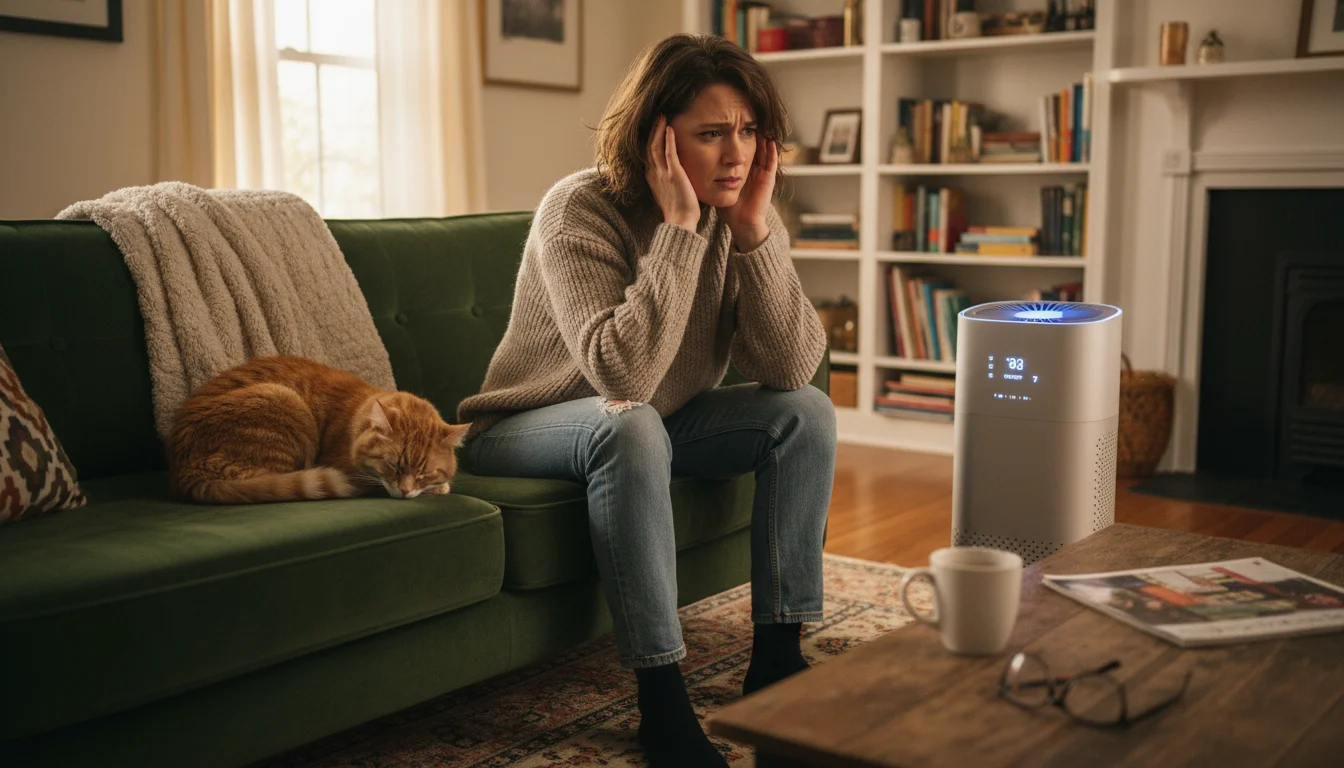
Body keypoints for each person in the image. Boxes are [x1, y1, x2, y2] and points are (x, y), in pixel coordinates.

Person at [457, 33, 835, 767]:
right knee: (628, 428)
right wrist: (680, 232)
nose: (739, 154)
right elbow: (620, 377)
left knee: (807, 413)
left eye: (750, 130)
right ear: (658, 140)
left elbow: (790, 367)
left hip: (655, 418)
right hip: (523, 424)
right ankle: (661, 700)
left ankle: (778, 661)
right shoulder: (578, 210)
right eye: (713, 134)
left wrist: (755, 232)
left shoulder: (740, 206)